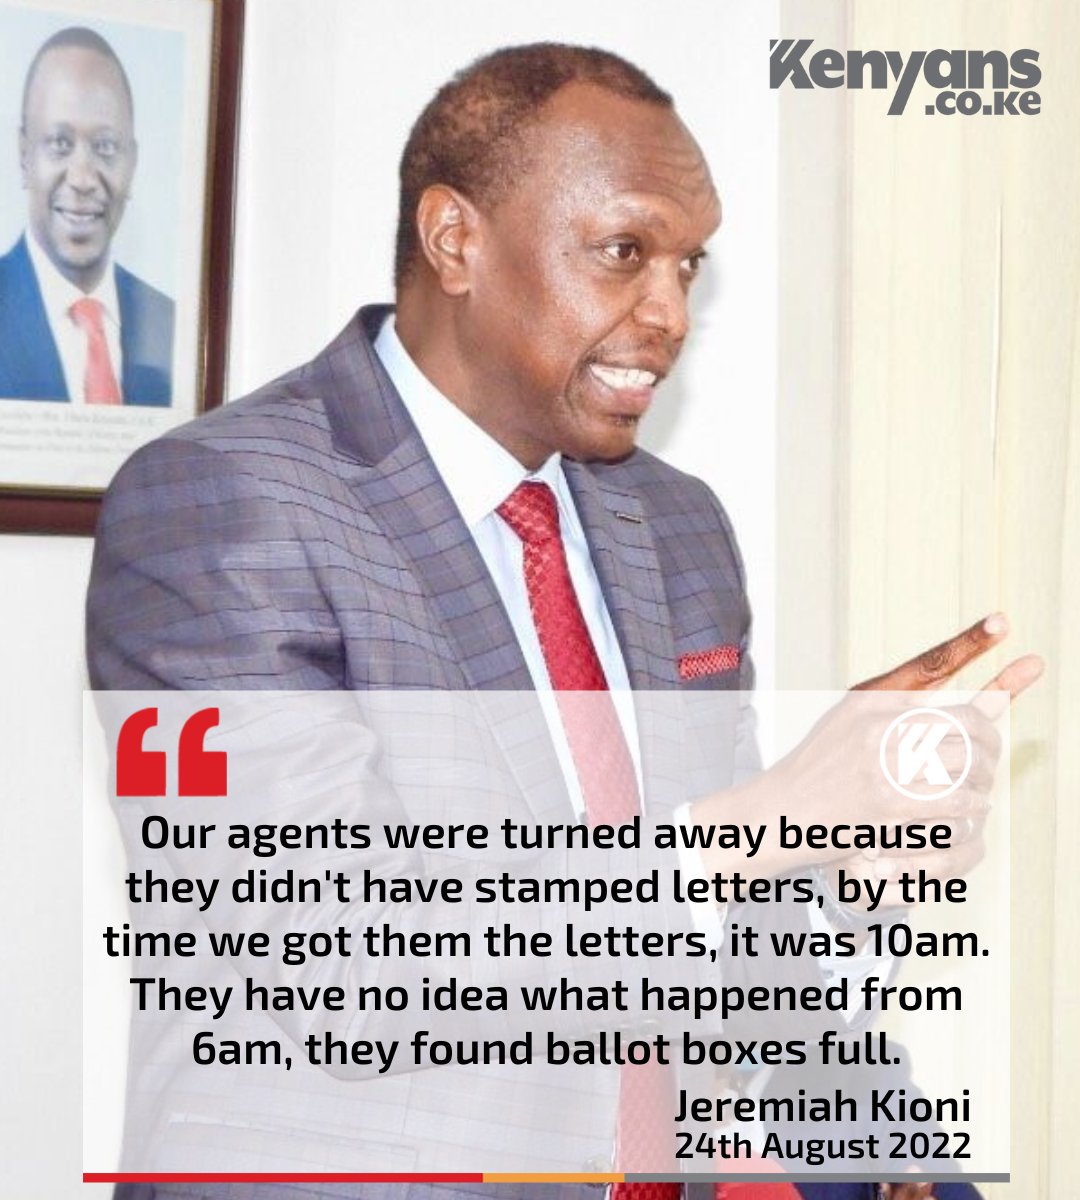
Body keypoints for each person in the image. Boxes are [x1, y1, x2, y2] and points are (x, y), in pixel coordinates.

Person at [90, 42, 1036, 1200]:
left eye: (689, 265)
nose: (671, 312)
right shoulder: (218, 503)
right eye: (626, 252)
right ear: (456, 240)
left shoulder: (675, 526)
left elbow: (713, 928)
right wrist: (766, 820)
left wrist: (851, 862)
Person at [0, 26, 172, 405]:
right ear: (24, 155)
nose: (82, 179)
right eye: (59, 143)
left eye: (105, 146)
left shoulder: (170, 327)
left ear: (132, 163)